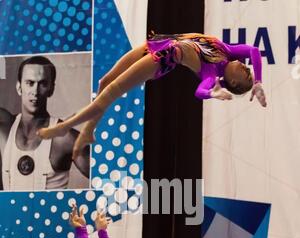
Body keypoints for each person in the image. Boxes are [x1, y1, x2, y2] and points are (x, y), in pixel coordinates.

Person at [37, 33, 267, 159]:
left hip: (165, 57)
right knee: (104, 82)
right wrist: (257, 81)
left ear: (233, 82)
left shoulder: (211, 74)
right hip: (160, 41)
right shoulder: (227, 51)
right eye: (249, 69)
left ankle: (65, 126)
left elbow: (199, 92)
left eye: (246, 74)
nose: (247, 67)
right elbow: (254, 51)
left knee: (109, 93)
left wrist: (212, 93)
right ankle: (88, 131)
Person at [0, 55, 89, 190]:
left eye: (42, 84)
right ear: (19, 87)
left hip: (49, 211)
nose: (35, 92)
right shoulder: (5, 126)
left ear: (51, 89)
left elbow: (110, 177)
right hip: (10, 211)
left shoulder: (65, 138)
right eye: (30, 83)